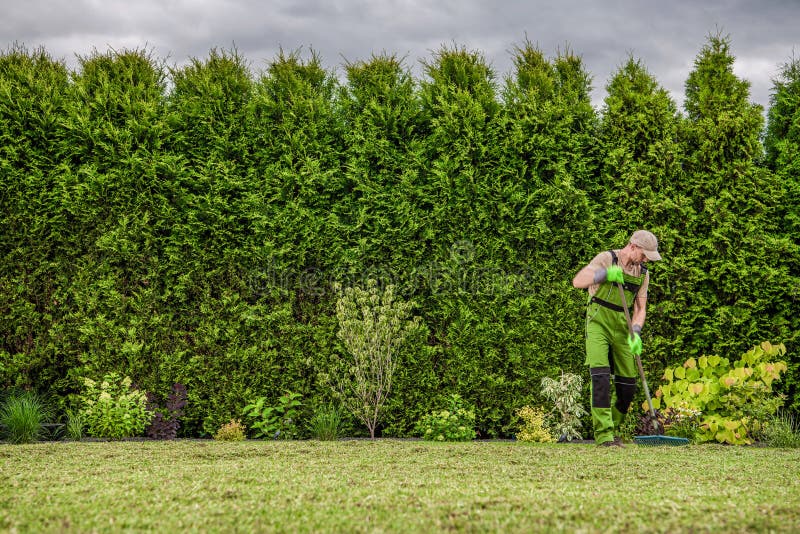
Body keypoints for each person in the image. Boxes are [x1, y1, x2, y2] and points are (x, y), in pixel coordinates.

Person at [572, 230, 662, 447]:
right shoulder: (606, 258)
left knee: (627, 385)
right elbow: (578, 281)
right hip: (598, 321)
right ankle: (604, 436)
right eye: (644, 254)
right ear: (632, 246)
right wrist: (604, 275)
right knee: (600, 376)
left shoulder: (642, 273)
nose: (646, 259)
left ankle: (613, 428)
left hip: (624, 326)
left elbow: (640, 308)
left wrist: (637, 332)